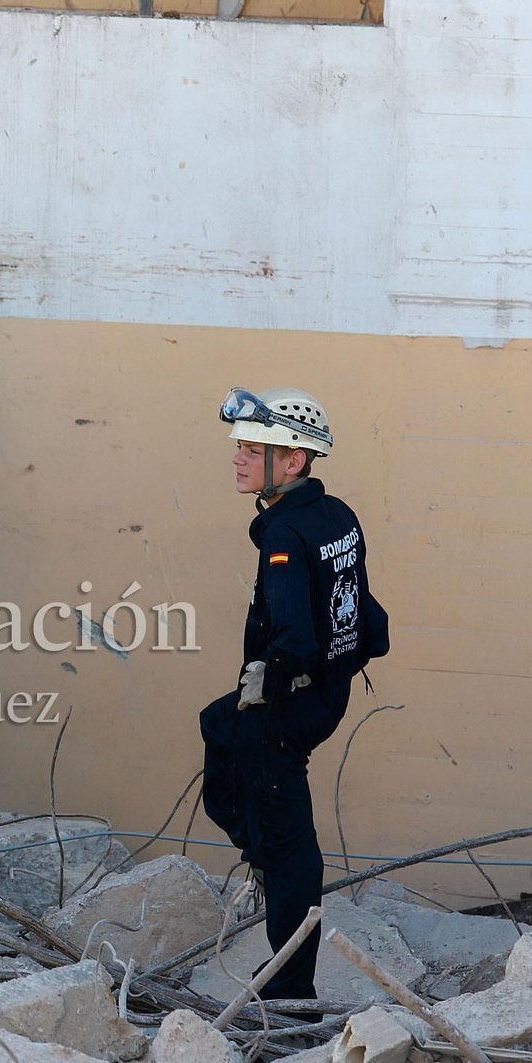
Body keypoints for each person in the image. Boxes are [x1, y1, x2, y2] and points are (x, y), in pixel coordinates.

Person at [202, 387, 389, 1007]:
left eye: (251, 449)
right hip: (326, 696)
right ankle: (263, 848)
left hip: (287, 708)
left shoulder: (281, 532)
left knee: (290, 852)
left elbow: (293, 633)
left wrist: (275, 677)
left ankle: (289, 991)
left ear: (293, 461)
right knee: (217, 726)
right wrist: (335, 672)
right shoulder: (338, 517)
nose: (238, 458)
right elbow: (370, 619)